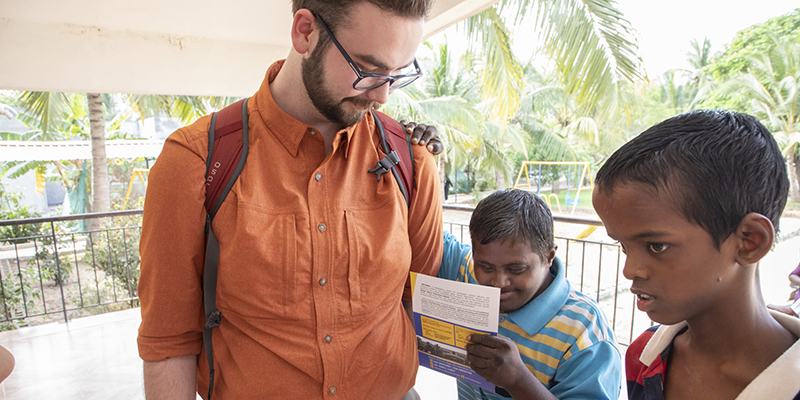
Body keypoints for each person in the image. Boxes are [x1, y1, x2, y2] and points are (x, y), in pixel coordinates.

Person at [137, 1, 445, 399]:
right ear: (304, 32)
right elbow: (169, 343)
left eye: (397, 74)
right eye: (368, 69)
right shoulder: (194, 162)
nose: (384, 95)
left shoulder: (411, 161)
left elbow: (416, 301)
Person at [592, 109, 800, 399]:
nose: (630, 270)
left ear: (750, 241)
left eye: (657, 246)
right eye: (623, 246)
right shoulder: (645, 357)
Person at [438, 189, 622, 400]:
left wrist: (517, 380)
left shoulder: (585, 335)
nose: (498, 282)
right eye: (486, 266)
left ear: (548, 256)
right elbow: (418, 224)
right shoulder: (467, 274)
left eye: (516, 269)